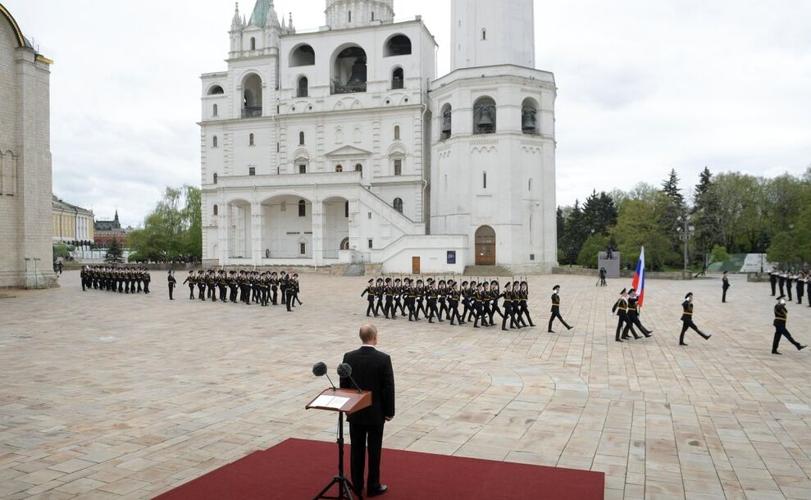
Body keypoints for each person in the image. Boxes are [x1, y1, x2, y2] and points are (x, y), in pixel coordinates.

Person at [341, 325, 395, 498]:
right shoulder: (383, 359)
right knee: (374, 450)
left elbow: (344, 386)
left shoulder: (349, 357)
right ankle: (373, 485)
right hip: (375, 413)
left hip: (355, 411)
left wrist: (347, 408)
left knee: (356, 449)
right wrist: (389, 411)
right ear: (375, 336)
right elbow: (388, 388)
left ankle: (356, 485)